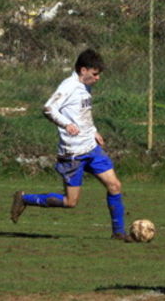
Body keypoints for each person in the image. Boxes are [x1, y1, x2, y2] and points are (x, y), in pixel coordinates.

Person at [10, 49, 131, 242]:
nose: (97, 78)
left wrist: (93, 131)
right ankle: (25, 198)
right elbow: (48, 108)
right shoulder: (68, 86)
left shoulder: (85, 87)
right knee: (70, 202)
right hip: (72, 152)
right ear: (83, 70)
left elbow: (83, 114)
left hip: (91, 148)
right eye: (95, 74)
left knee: (115, 185)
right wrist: (66, 124)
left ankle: (118, 233)